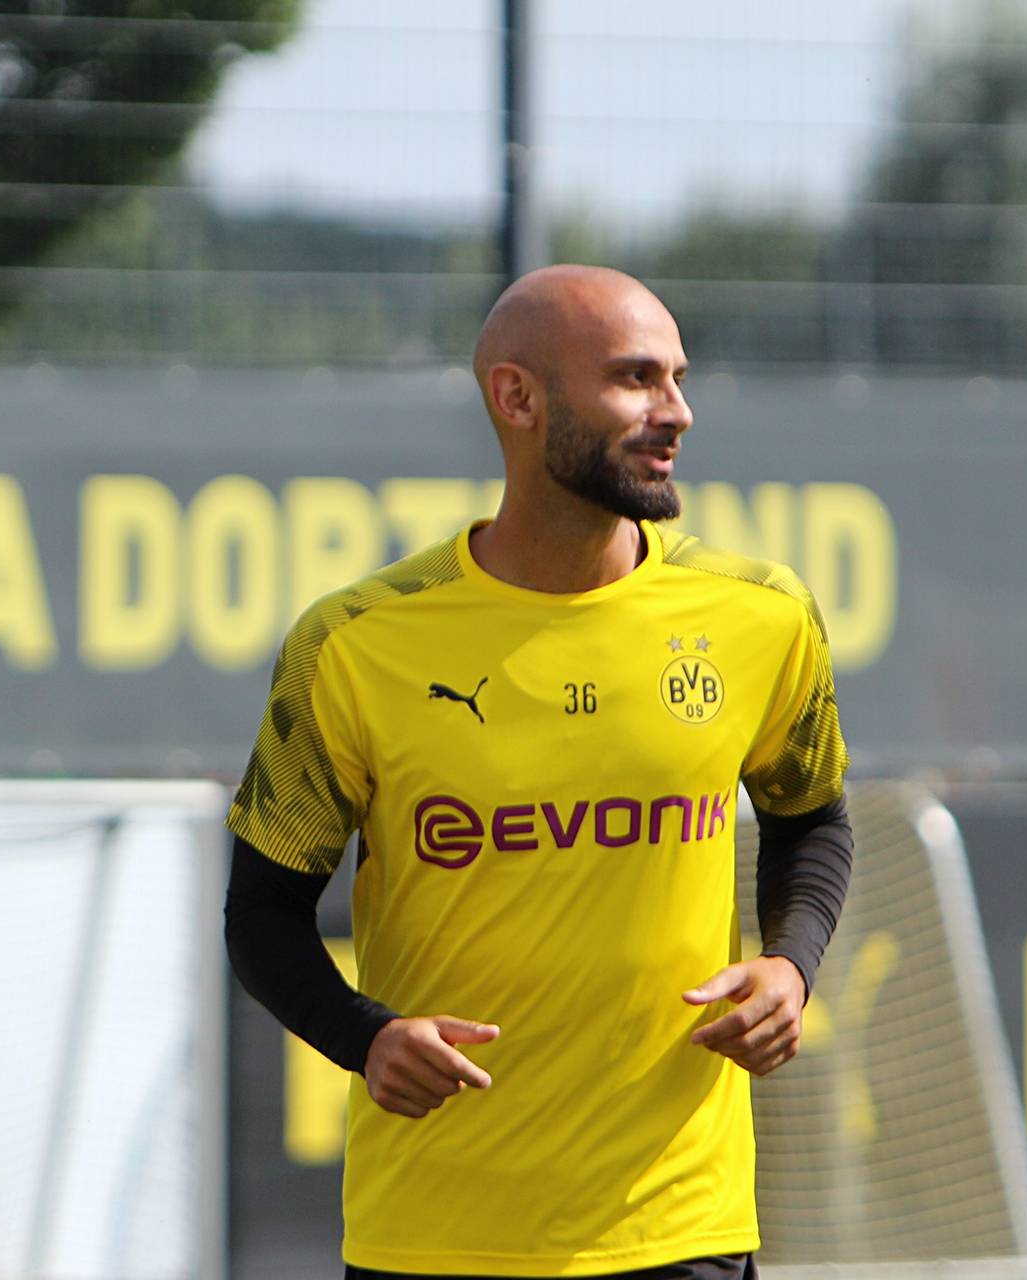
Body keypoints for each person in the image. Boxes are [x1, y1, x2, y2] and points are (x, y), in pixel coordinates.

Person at [225, 264, 853, 1278]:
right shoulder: (351, 643)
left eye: (679, 378)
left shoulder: (762, 615)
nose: (677, 411)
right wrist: (363, 1035)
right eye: (636, 379)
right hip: (434, 1235)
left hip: (680, 1225)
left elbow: (811, 820)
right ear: (517, 397)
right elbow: (258, 911)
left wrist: (793, 962)